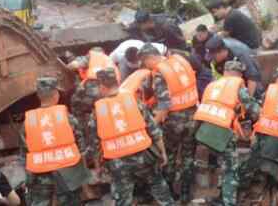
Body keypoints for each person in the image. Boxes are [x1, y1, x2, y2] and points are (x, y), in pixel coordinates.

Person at [87, 68, 174, 206]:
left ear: (101, 87)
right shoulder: (135, 102)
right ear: (117, 82)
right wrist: (162, 152)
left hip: (117, 162)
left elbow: (95, 144)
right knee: (159, 186)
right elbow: (154, 131)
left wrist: (98, 166)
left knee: (122, 196)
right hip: (145, 156)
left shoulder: (97, 112)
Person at [194, 60, 261, 206]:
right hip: (221, 132)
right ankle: (228, 202)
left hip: (204, 131)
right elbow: (253, 109)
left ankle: (221, 196)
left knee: (222, 163)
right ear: (239, 74)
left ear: (224, 72)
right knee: (231, 169)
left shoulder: (212, 84)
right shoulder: (237, 85)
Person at [138, 43, 199, 203]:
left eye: (145, 63)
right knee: (187, 157)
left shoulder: (160, 73)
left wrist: (152, 125)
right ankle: (186, 193)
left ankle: (171, 193)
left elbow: (164, 106)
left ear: (149, 58)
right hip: (193, 116)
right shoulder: (179, 61)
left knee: (169, 156)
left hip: (174, 122)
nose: (147, 67)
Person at [239, 66, 278, 206]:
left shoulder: (269, 91)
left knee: (252, 163)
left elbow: (259, 113)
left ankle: (243, 191)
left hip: (264, 144)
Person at [20, 77, 88, 206]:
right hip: (68, 173)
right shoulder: (67, 117)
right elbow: (81, 145)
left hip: (41, 175)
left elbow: (24, 154)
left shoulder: (27, 122)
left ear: (39, 96)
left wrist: (29, 179)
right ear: (56, 94)